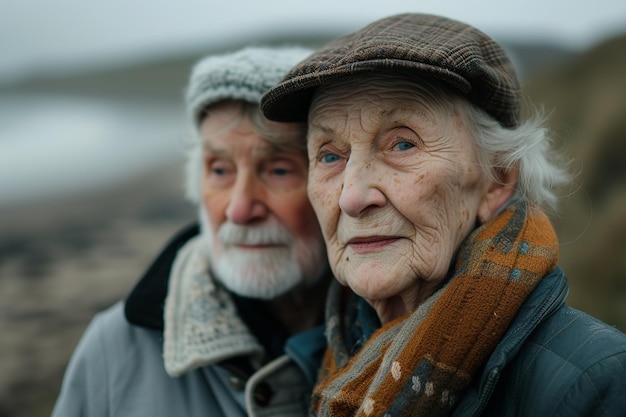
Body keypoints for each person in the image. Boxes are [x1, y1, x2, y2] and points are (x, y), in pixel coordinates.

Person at [261, 13, 626, 417]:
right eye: (330, 155)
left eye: (401, 145)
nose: (353, 197)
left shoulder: (597, 382)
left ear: (496, 181)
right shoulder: (310, 360)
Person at [51, 46, 332, 417]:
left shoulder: (409, 327)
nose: (239, 208)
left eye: (279, 169)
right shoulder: (115, 347)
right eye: (219, 170)